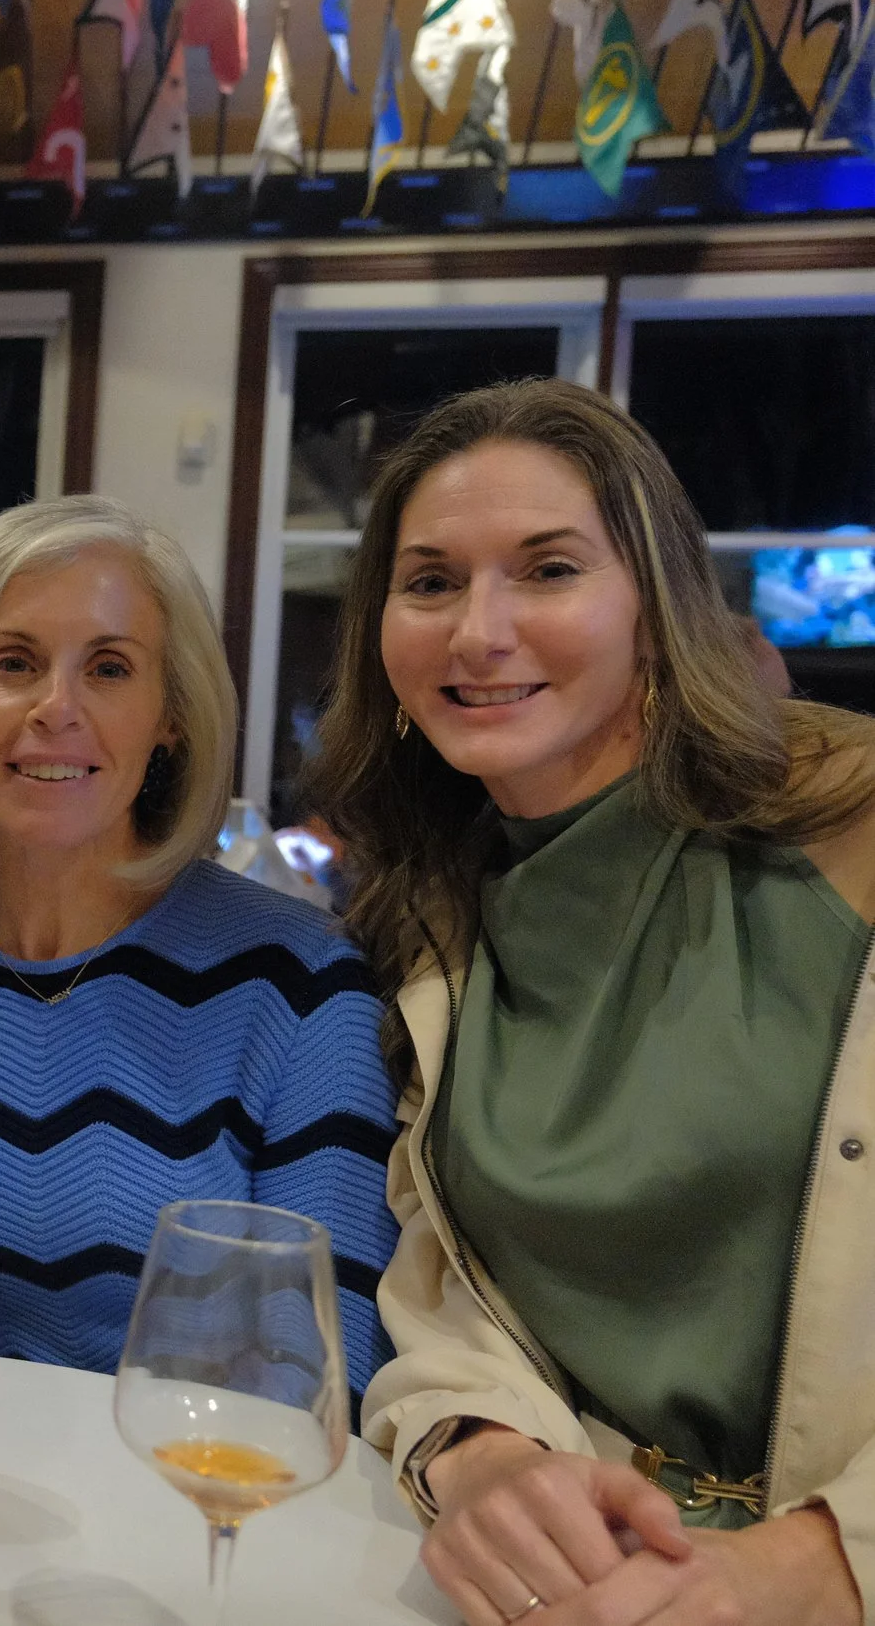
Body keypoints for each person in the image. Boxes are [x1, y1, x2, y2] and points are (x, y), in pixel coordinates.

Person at [304, 380, 874, 1626]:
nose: (478, 632)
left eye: (548, 569)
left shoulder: (850, 828)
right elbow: (446, 1284)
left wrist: (815, 1564)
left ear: (655, 610)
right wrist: (483, 1454)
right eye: (431, 581)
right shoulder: (422, 913)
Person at [0, 497, 399, 1389]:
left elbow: (324, 1383)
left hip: (198, 1477)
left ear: (171, 716)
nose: (56, 708)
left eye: (110, 668)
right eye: (14, 662)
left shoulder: (302, 986)